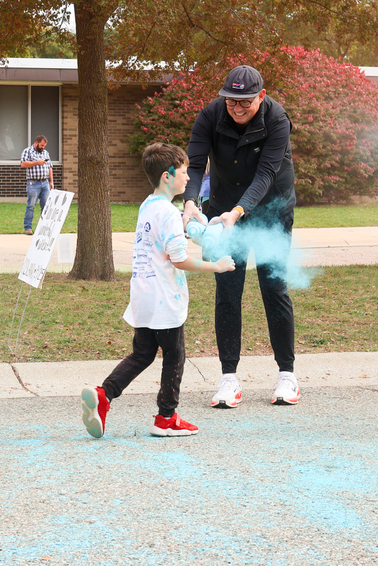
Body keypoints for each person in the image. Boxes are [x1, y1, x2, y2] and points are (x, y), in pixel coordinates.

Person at [81, 143, 235, 439]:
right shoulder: (166, 212)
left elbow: (166, 235)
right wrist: (216, 266)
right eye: (184, 171)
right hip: (166, 299)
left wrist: (189, 221)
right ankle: (167, 417)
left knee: (143, 353)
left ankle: (104, 395)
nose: (189, 178)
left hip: (143, 295)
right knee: (175, 356)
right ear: (167, 176)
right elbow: (178, 258)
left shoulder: (149, 205)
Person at [181, 64, 300, 408]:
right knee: (228, 291)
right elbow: (195, 161)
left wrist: (237, 212)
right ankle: (229, 379)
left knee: (272, 287)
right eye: (231, 101)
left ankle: (287, 376)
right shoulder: (210, 115)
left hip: (271, 211)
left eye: (245, 102)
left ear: (260, 96)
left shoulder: (276, 119)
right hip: (223, 210)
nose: (237, 108)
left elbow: (265, 174)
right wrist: (190, 201)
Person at [20, 135, 53, 235]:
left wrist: (51, 181)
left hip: (45, 182)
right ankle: (28, 227)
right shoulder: (27, 151)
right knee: (31, 205)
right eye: (41, 145)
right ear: (36, 143)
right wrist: (37, 162)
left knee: (46, 206)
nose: (43, 147)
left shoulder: (46, 153)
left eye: (44, 146)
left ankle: (44, 227)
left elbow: (50, 167)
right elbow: (23, 164)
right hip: (33, 183)